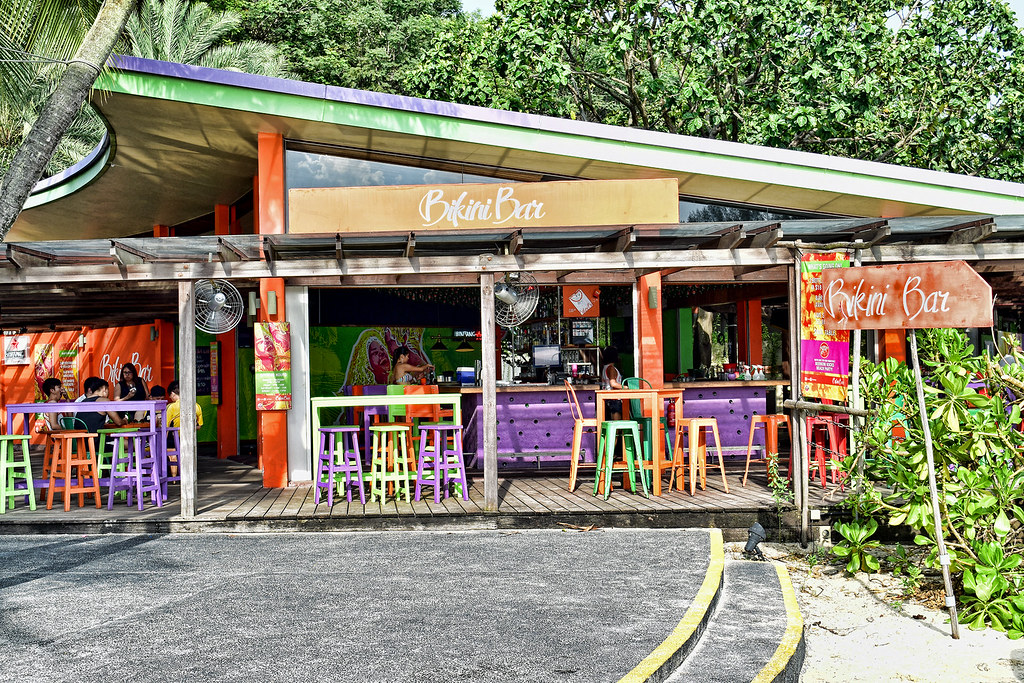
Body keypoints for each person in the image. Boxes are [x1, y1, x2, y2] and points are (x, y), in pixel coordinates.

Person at [601, 346, 623, 421]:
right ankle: (617, 432)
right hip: (614, 397)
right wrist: (624, 387)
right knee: (616, 414)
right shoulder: (611, 368)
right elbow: (613, 383)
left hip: (607, 396)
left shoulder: (605, 368)